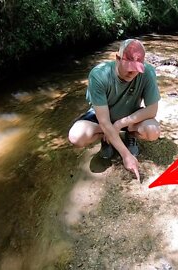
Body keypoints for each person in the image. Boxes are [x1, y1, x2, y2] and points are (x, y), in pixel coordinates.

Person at [68, 39, 161, 180]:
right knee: (76, 136)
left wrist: (119, 124)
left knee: (153, 131)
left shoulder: (147, 73)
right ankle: (107, 138)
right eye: (129, 66)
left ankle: (129, 135)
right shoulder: (99, 75)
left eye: (137, 68)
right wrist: (126, 155)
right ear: (117, 58)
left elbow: (152, 110)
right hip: (102, 118)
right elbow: (104, 121)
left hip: (130, 118)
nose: (132, 72)